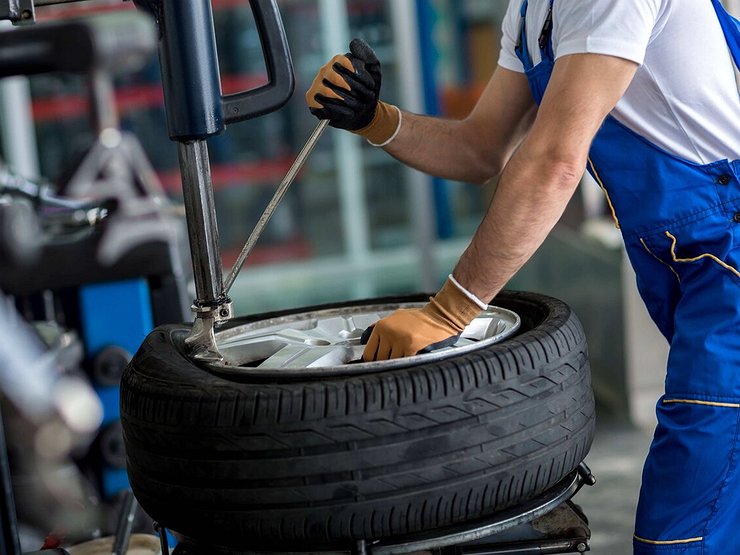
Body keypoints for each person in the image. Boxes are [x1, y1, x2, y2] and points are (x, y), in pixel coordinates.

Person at [306, 1, 740, 553]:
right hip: (692, 264)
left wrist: (449, 311)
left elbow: (556, 159)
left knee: (683, 530)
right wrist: (375, 119)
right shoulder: (532, 11)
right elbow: (480, 148)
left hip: (727, 257)